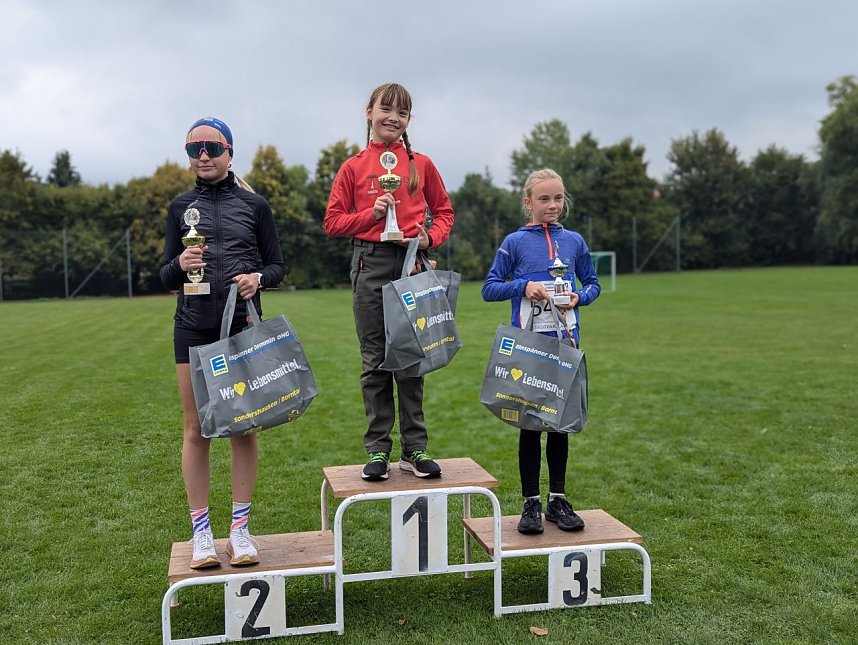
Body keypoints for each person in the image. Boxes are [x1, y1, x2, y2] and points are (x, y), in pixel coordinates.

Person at [160, 117, 285, 568]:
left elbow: (277, 265)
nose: (204, 156)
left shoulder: (255, 206)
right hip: (192, 326)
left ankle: (240, 531)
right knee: (195, 429)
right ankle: (201, 534)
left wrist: (257, 279)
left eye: (212, 147)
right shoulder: (180, 208)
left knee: (242, 426)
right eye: (195, 150)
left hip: (241, 327)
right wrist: (179, 262)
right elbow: (165, 275)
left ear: (230, 151)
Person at [324, 82, 455, 481]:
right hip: (370, 261)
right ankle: (378, 450)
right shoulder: (353, 167)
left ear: (408, 121)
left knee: (412, 359)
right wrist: (372, 215)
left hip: (412, 264)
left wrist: (427, 239)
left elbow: (445, 213)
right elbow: (333, 222)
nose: (393, 118)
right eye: (386, 109)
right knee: (375, 359)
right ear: (369, 112)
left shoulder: (423, 165)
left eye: (402, 112)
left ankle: (414, 449)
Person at [482, 168, 600, 535]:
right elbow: (490, 287)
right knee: (530, 425)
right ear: (528, 202)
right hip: (528, 348)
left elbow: (594, 284)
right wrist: (524, 286)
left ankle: (558, 500)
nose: (552, 205)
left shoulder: (575, 241)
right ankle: (530, 503)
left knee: (560, 426)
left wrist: (581, 297)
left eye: (558, 198)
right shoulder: (515, 243)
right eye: (544, 199)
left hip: (565, 345)